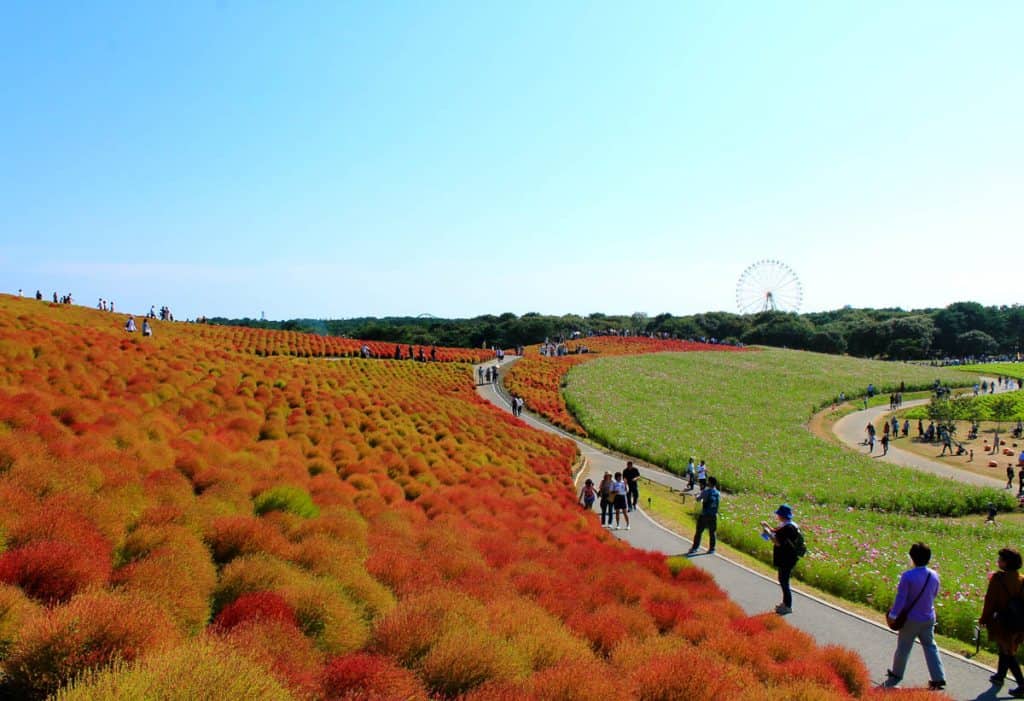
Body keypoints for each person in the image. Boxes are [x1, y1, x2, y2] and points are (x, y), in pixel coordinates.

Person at [883, 542, 945, 690]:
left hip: (911, 619)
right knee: (930, 646)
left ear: (912, 558)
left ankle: (897, 674)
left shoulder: (908, 576)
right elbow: (935, 594)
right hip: (929, 616)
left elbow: (901, 598)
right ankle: (938, 677)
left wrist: (893, 615)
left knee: (904, 647)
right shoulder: (934, 575)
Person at [980, 547, 1024, 695]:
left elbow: (990, 601)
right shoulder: (1021, 579)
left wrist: (984, 618)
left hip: (1003, 620)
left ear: (1005, 563)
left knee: (1008, 651)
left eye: (1000, 559)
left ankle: (1022, 684)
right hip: (1018, 621)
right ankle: (1000, 675)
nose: (998, 561)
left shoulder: (998, 579)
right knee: (1006, 648)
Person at [762, 504, 803, 615]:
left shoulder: (788, 528)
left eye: (778, 514)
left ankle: (787, 606)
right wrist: (768, 527)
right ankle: (785, 604)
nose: (777, 516)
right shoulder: (790, 525)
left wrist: (768, 533)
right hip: (789, 557)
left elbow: (778, 542)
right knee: (783, 580)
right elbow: (777, 532)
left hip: (787, 558)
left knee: (784, 581)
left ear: (782, 515)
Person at [688, 476, 720, 555]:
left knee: (699, 531)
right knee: (712, 532)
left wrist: (697, 495)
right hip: (713, 515)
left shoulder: (706, 491)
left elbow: (698, 499)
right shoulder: (718, 493)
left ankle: (695, 548)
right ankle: (712, 549)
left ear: (710, 483)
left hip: (704, 514)